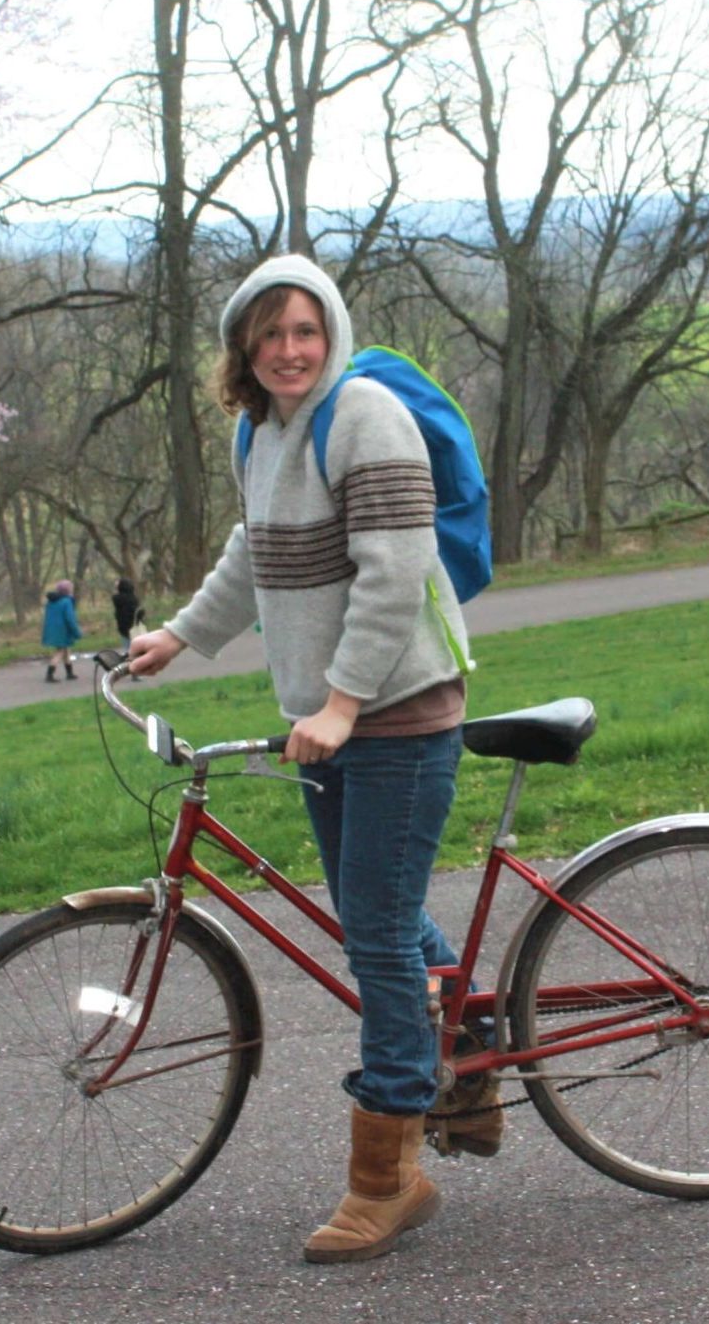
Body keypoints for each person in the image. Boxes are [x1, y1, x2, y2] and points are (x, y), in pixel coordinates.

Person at [129, 255, 487, 1266]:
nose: (290, 350)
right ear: (243, 345)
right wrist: (182, 635)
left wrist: (338, 702)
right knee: (377, 909)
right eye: (270, 333)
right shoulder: (264, 429)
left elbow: (395, 567)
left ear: (329, 331)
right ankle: (468, 1047)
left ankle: (390, 1174)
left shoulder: (362, 413)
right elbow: (256, 552)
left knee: (372, 932)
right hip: (332, 721)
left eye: (306, 330)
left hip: (399, 713)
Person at [40, 580, 81, 682]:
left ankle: (69, 673)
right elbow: (70, 618)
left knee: (66, 650)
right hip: (63, 630)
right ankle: (50, 674)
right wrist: (76, 632)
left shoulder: (51, 601)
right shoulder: (66, 602)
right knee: (60, 652)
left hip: (53, 629)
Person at [111, 577, 146, 652]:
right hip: (135, 625)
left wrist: (117, 587)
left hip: (124, 626)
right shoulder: (134, 598)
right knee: (136, 647)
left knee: (128, 648)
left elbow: (115, 595)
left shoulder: (117, 599)